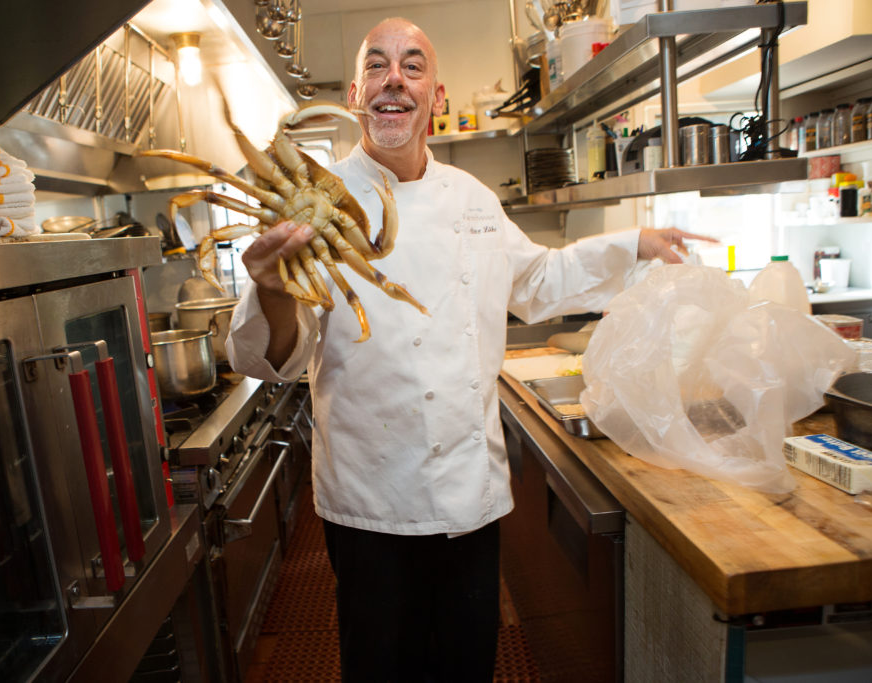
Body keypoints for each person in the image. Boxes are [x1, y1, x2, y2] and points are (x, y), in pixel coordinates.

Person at [226, 17, 710, 682]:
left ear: (435, 95)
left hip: (466, 499)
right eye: (377, 65)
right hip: (370, 503)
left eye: (413, 65)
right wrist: (271, 290)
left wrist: (634, 245)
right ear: (356, 93)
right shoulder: (319, 204)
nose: (394, 79)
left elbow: (537, 282)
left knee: (465, 666)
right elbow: (274, 357)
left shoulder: (473, 200)